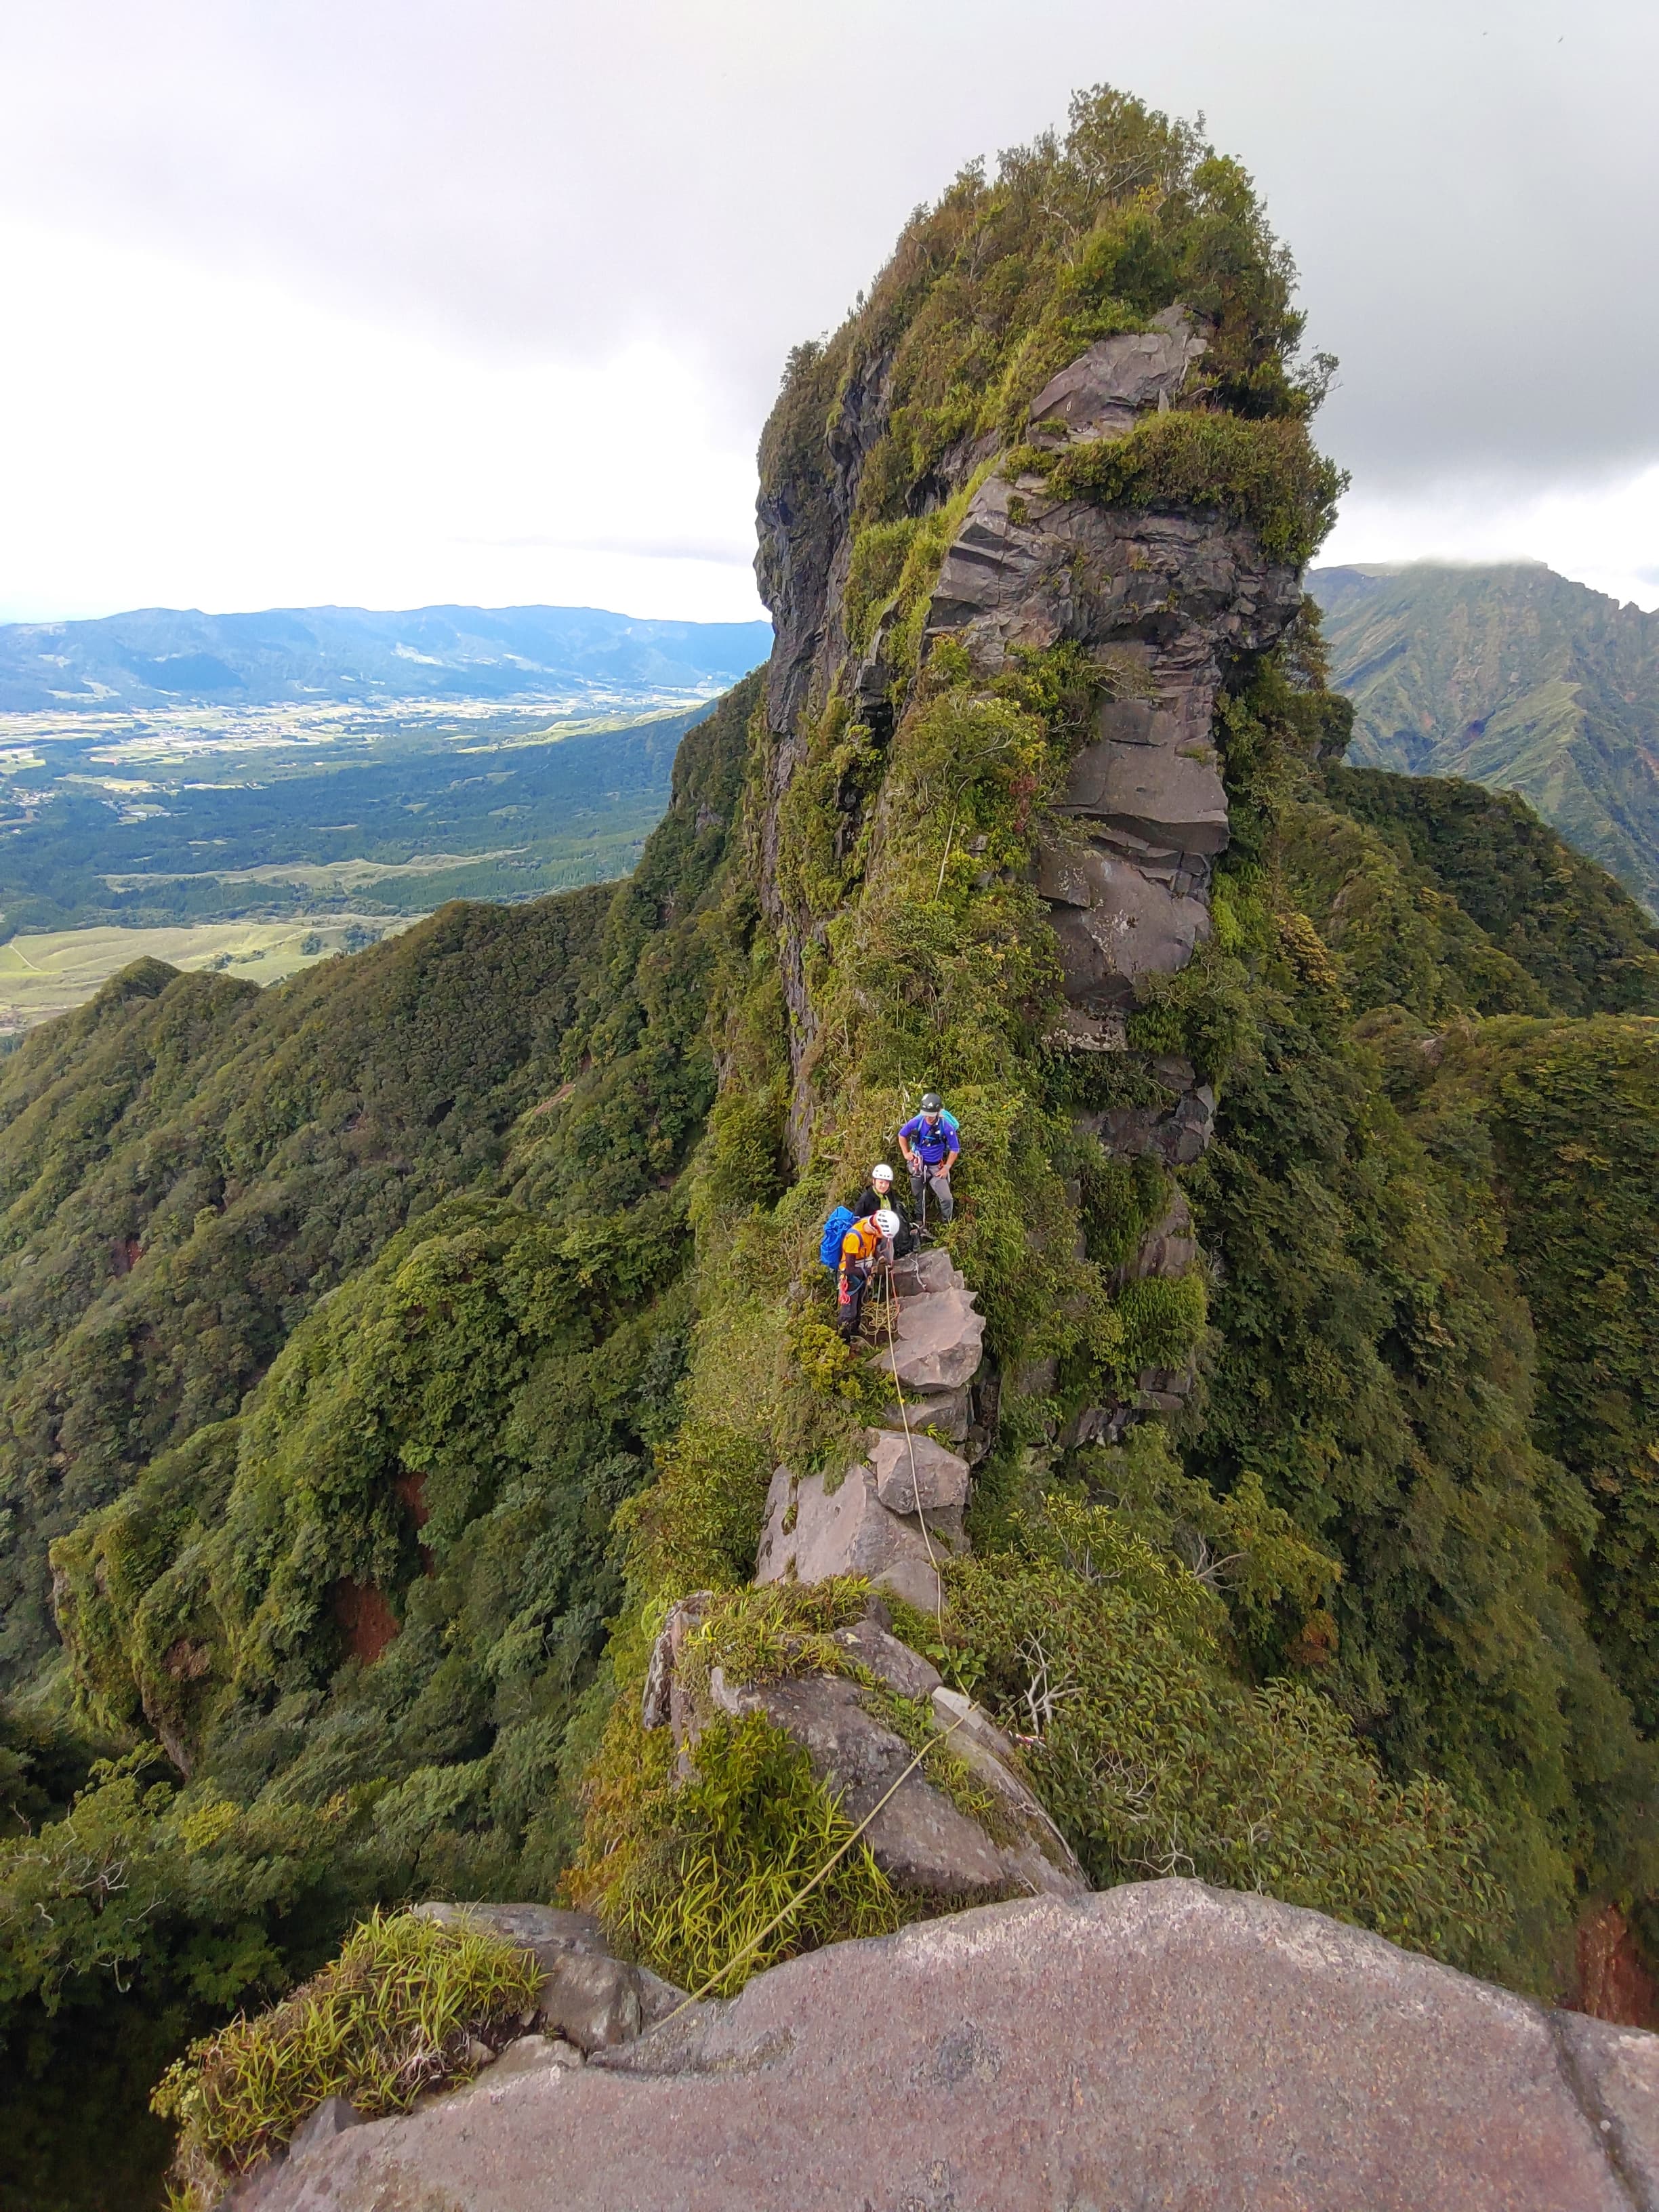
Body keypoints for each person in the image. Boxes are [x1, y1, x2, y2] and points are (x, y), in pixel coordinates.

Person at [838, 1206, 900, 1341]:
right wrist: (873, 1270)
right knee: (849, 1313)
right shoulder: (854, 1238)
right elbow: (849, 1269)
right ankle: (843, 1340)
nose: (882, 1238)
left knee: (859, 1305)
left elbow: (872, 1248)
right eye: (882, 1235)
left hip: (861, 1275)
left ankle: (855, 1333)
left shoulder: (870, 1225)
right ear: (876, 1228)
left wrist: (881, 1258)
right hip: (850, 1279)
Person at [898, 1094, 960, 1228]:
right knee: (918, 1193)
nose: (928, 1118)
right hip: (918, 1163)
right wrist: (906, 1153)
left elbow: (955, 1149)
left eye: (931, 1115)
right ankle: (919, 1220)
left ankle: (946, 1225)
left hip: (936, 1167)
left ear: (938, 1112)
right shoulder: (917, 1121)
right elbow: (902, 1135)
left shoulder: (946, 1127)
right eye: (926, 1114)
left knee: (947, 1198)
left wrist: (947, 1168)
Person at [851, 1163, 913, 1257]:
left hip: (888, 1232)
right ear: (874, 1181)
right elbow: (857, 1221)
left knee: (899, 1210)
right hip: (874, 1235)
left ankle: (900, 1248)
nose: (884, 1186)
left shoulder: (889, 1194)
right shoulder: (866, 1199)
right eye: (881, 1182)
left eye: (887, 1183)